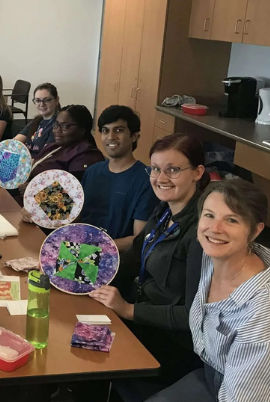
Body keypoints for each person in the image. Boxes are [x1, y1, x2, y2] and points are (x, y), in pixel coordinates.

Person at [83, 133, 209, 401]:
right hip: (138, 316)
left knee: (85, 357)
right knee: (75, 325)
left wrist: (128, 310)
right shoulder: (165, 209)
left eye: (173, 170)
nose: (161, 178)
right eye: (155, 169)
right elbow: (133, 258)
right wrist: (75, 267)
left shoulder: (201, 232)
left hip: (167, 341)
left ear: (197, 173)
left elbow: (192, 316)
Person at [146, 179, 270, 402]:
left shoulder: (262, 316)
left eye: (231, 220)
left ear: (255, 231)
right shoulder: (212, 257)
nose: (215, 229)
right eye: (209, 215)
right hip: (208, 370)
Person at [78, 105, 158, 251]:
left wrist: (95, 248)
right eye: (105, 130)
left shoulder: (146, 179)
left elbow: (138, 239)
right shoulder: (93, 172)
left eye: (119, 130)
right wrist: (37, 212)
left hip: (114, 258)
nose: (111, 137)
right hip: (80, 250)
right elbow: (76, 217)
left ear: (134, 136)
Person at [13, 83, 60, 154]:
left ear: (56, 100)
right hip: (26, 160)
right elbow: (15, 143)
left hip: (39, 163)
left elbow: (46, 156)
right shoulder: (37, 121)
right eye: (38, 100)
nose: (42, 104)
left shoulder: (58, 126)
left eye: (46, 100)